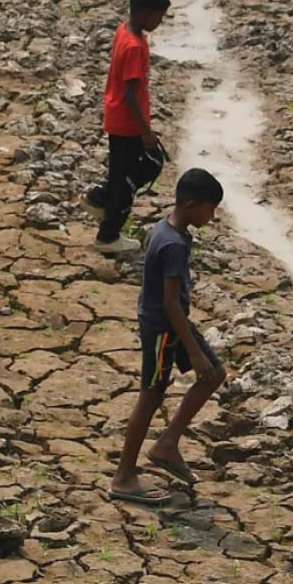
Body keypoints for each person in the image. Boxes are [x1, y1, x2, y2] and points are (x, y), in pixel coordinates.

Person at [110, 168, 226, 506]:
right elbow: (170, 302)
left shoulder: (164, 229)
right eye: (210, 208)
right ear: (191, 205)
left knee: (215, 374)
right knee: (151, 395)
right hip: (163, 327)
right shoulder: (173, 243)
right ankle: (124, 476)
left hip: (170, 322)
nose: (212, 215)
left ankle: (167, 443)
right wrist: (194, 352)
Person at [90, 0, 170, 255]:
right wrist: (146, 131)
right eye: (159, 16)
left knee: (122, 173)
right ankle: (108, 234)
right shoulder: (135, 46)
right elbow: (130, 94)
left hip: (118, 119)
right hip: (127, 124)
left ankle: (102, 198)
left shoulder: (123, 31)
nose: (160, 21)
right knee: (139, 171)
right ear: (146, 14)